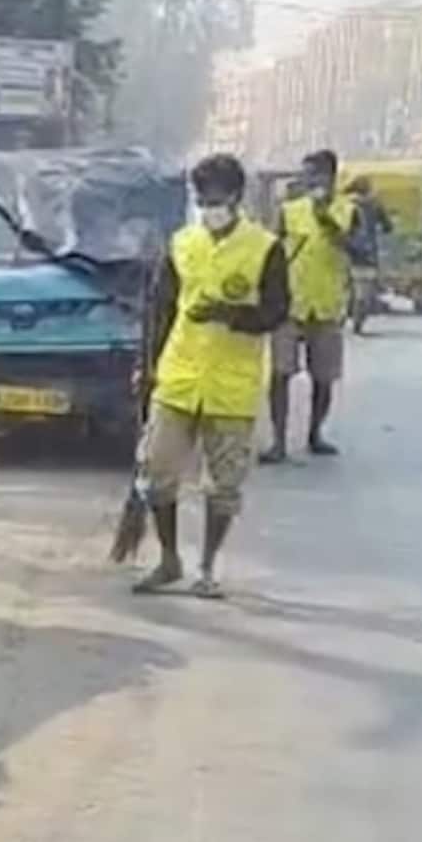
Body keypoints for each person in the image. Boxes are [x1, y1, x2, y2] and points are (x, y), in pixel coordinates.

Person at [134, 153, 289, 597]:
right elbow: (160, 310)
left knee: (223, 486)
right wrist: (146, 368)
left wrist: (229, 313)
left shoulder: (264, 248)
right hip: (178, 377)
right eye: (201, 198)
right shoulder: (182, 243)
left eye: (215, 198)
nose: (207, 206)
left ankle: (208, 566)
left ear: (237, 198)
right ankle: (168, 560)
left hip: (231, 385)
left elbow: (277, 311)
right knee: (157, 474)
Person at [265, 148, 356, 461]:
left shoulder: (347, 210)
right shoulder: (289, 210)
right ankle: (278, 442)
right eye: (305, 175)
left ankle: (315, 434)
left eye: (314, 175)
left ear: (330, 177)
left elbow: (354, 248)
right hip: (291, 303)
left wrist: (325, 218)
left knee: (324, 376)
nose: (308, 181)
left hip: (328, 304)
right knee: (280, 373)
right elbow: (273, 253)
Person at [344, 175, 391, 335]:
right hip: (368, 254)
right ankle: (360, 315)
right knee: (366, 288)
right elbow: (388, 227)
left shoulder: (345, 204)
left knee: (345, 284)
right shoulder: (375, 205)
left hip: (345, 252)